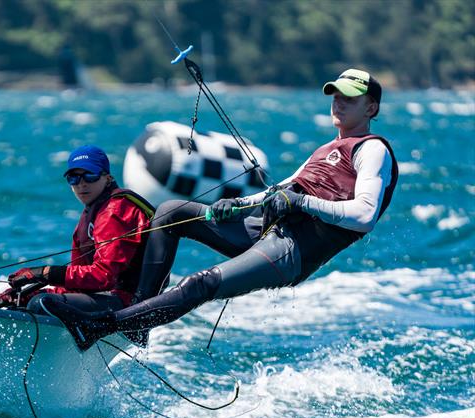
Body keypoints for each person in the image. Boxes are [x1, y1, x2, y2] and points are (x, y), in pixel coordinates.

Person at [44, 68, 399, 350]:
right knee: (170, 211)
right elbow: (278, 191)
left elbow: (364, 216)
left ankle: (101, 326)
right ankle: (137, 316)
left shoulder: (372, 149)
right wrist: (233, 205)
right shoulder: (325, 149)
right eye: (335, 95)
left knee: (200, 283)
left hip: (292, 250)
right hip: (264, 230)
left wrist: (302, 202)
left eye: (350, 98)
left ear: (371, 108)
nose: (338, 102)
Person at [0, 145, 155, 314]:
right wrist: (28, 293)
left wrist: (46, 273)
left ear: (107, 177)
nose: (82, 184)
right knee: (25, 301)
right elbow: (80, 285)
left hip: (125, 304)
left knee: (40, 304)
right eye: (73, 178)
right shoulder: (91, 213)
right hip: (102, 297)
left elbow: (104, 276)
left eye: (90, 175)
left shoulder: (115, 211)